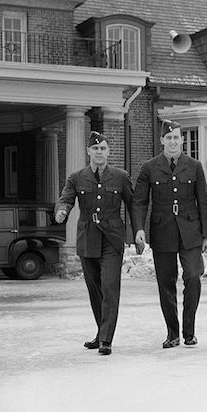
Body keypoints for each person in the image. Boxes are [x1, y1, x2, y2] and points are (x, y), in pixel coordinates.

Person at [133, 120, 207, 349]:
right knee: (166, 283)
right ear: (162, 141)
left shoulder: (194, 166)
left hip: (190, 232)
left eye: (176, 138)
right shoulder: (150, 167)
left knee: (193, 277)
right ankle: (172, 332)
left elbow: (204, 202)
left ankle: (189, 331)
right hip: (162, 231)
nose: (173, 141)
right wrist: (139, 228)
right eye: (169, 138)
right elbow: (139, 201)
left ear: (182, 140)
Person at [54, 131, 135, 356]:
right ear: (89, 151)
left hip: (112, 238)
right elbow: (66, 199)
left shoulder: (120, 176)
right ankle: (101, 333)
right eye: (95, 149)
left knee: (110, 287)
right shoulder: (77, 177)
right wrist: (61, 211)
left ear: (108, 152)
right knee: (95, 291)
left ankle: (106, 339)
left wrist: (136, 231)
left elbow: (133, 205)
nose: (99, 152)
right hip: (88, 238)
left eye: (103, 149)